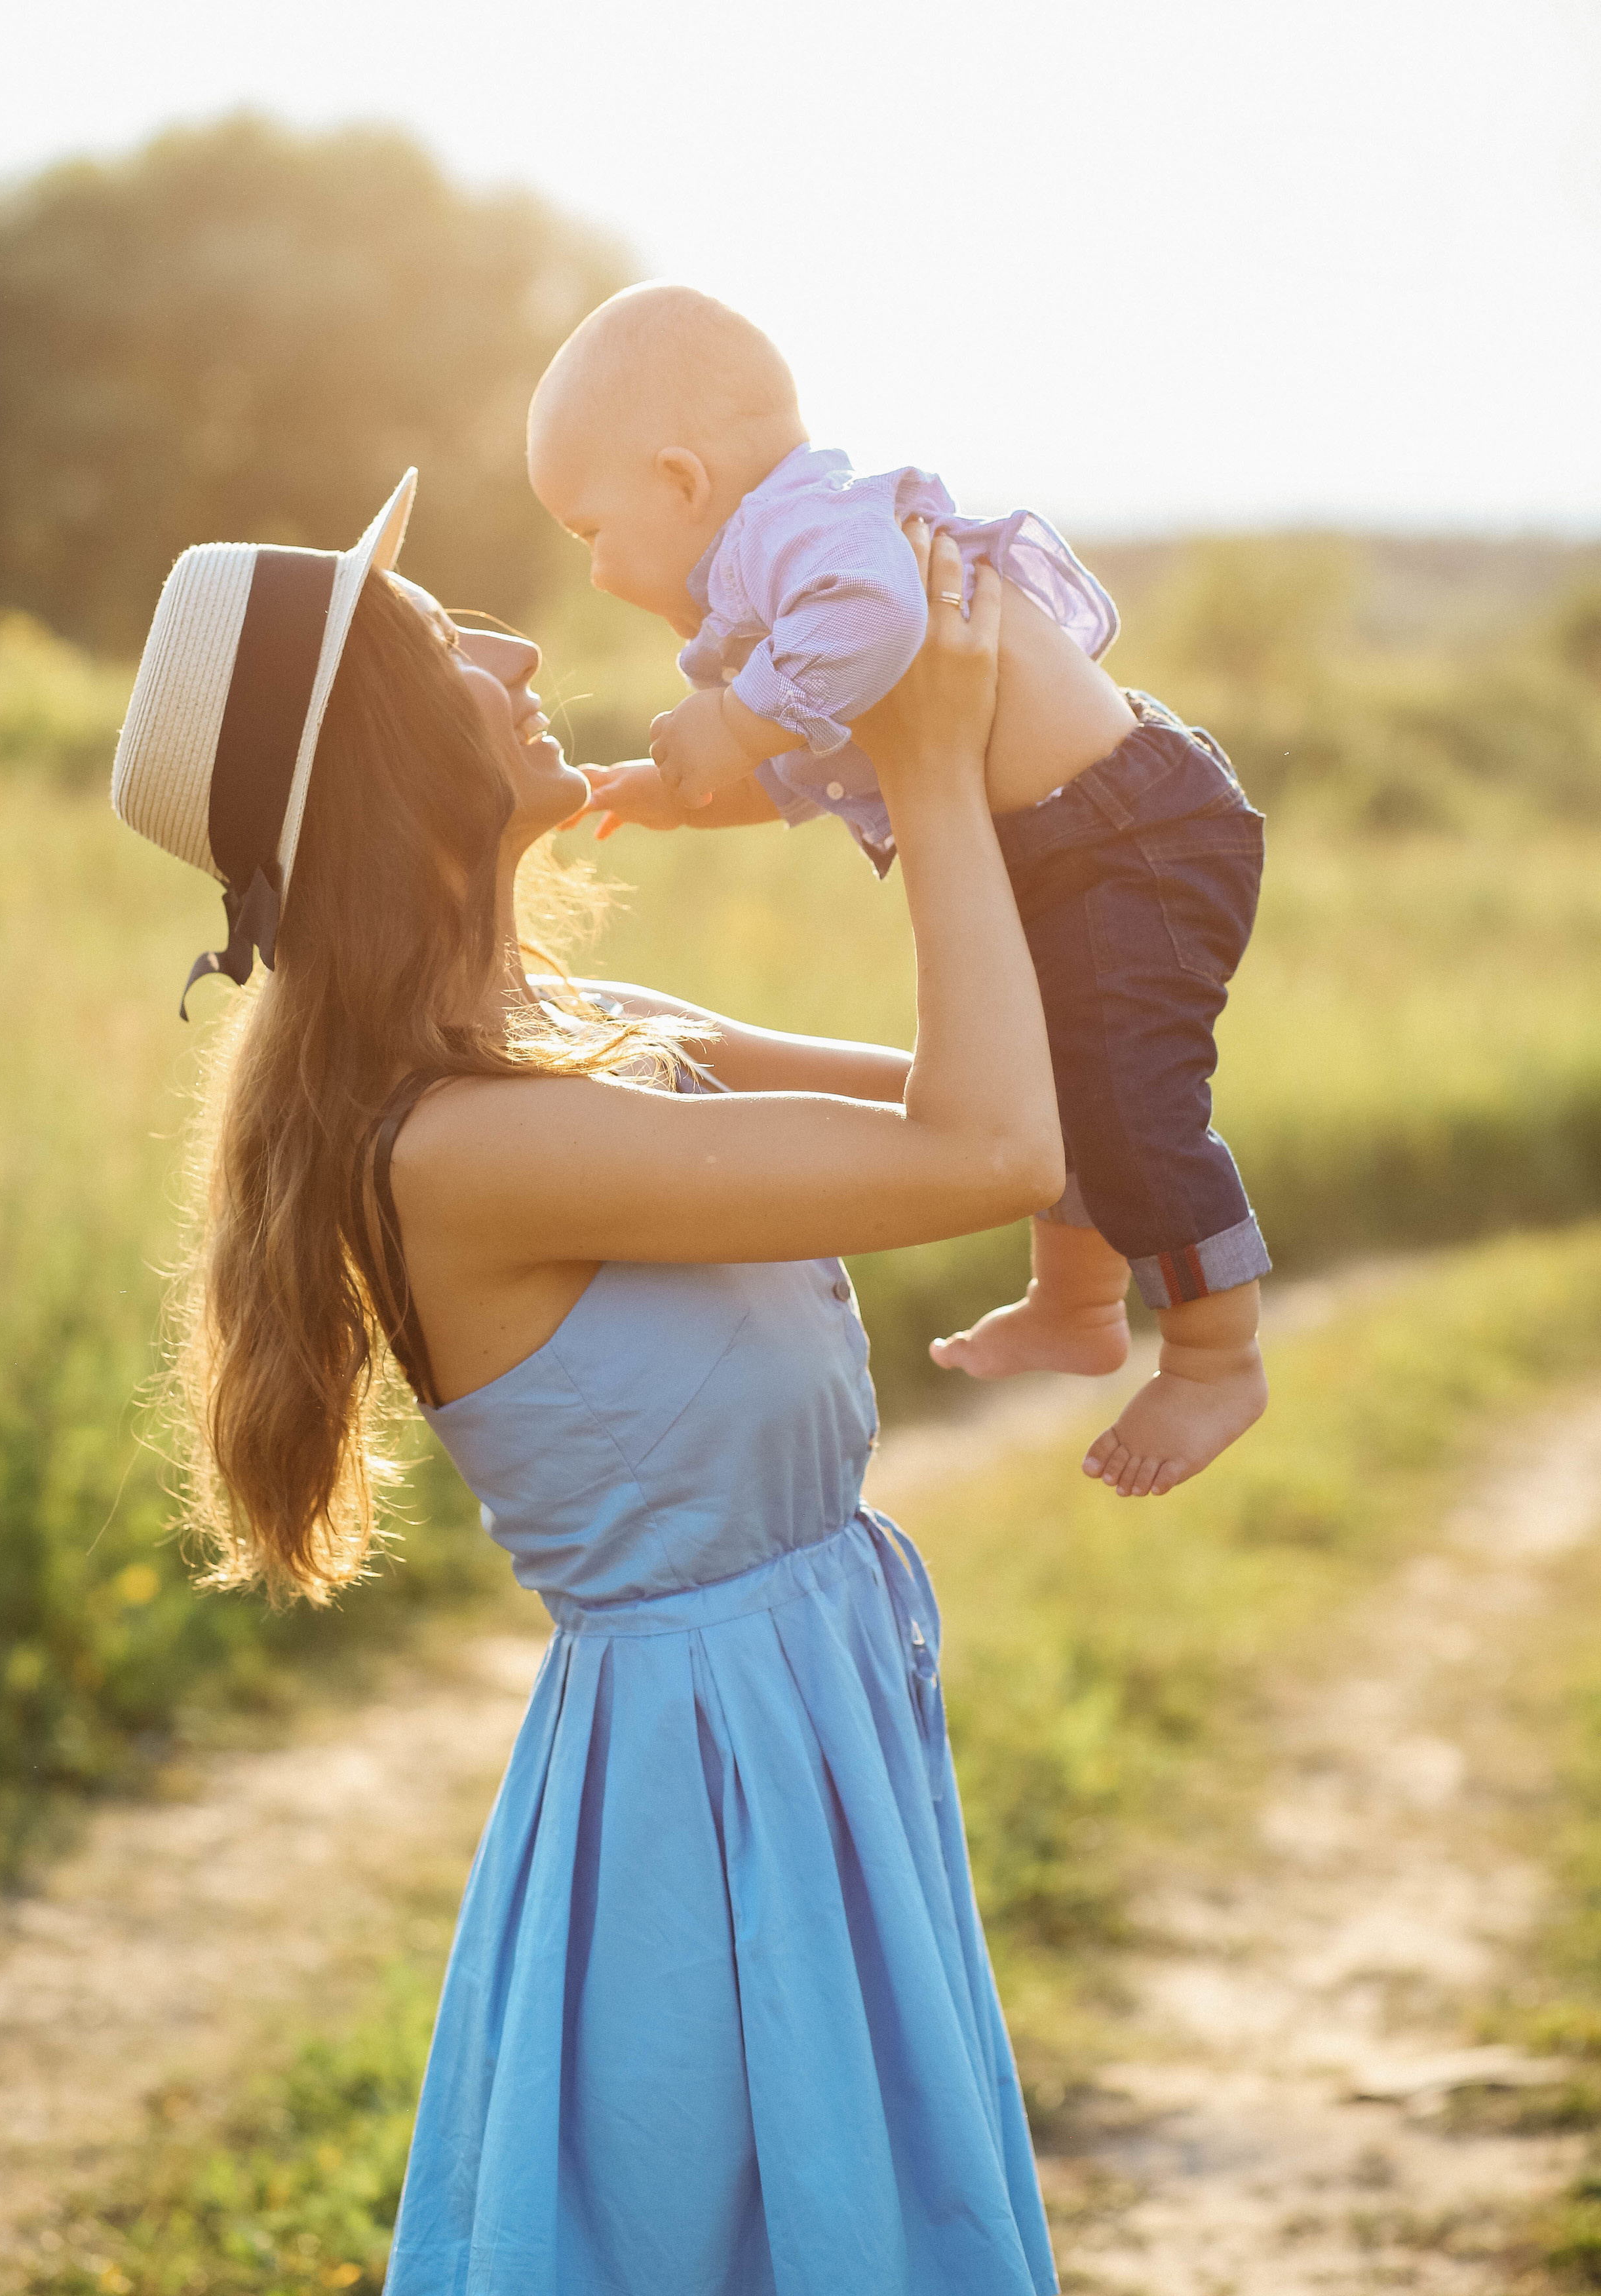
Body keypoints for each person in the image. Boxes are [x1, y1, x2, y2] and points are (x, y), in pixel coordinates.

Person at [110, 469, 1093, 2293]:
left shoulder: (592, 1045)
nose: (519, 642)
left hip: (801, 1719)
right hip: (702, 1788)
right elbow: (996, 1151)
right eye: (445, 645)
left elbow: (1035, 1090)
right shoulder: (466, 1147)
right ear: (395, 772)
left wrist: (898, 741)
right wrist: (935, 775)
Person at [528, 284, 1270, 1495]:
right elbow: (833, 758)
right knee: (1056, 1071)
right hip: (1062, 839)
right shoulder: (773, 595)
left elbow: (876, 622)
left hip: (1130, 836)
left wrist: (735, 714)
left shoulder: (802, 539)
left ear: (681, 479)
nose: (598, 568)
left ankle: (1215, 1356)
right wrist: (685, 790)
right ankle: (1078, 1301)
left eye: (588, 529)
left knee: (1130, 1095)